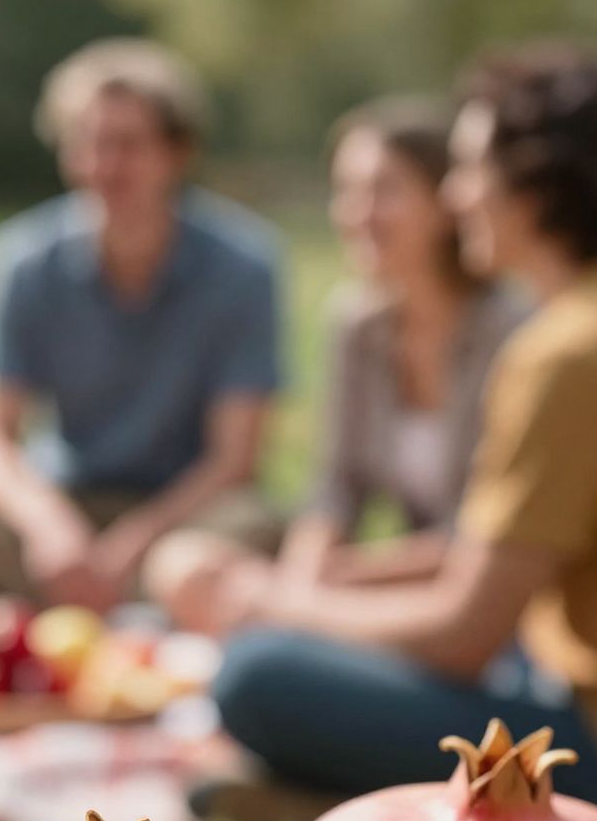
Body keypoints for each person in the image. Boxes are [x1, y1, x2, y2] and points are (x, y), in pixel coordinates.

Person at [157, 45, 597, 821]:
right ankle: (328, 803)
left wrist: (275, 601)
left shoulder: (576, 348)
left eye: (471, 170)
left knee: (256, 675)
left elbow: (463, 632)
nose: (460, 195)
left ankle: (343, 806)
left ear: (537, 185)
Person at [0, 39, 284, 608]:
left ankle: (127, 594)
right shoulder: (23, 259)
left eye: (127, 145)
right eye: (88, 144)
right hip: (63, 506)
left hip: (184, 519)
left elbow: (234, 460)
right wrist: (49, 528)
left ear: (178, 152)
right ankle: (117, 597)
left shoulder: (244, 267)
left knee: (256, 527)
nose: (104, 166)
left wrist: (137, 543)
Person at [205, 98, 526, 602]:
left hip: (484, 597)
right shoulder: (356, 325)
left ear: (447, 203)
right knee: (194, 570)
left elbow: (493, 534)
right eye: (347, 192)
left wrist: (333, 583)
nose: (358, 214)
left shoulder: (514, 331)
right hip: (389, 580)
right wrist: (302, 577)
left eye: (384, 191)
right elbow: (337, 489)